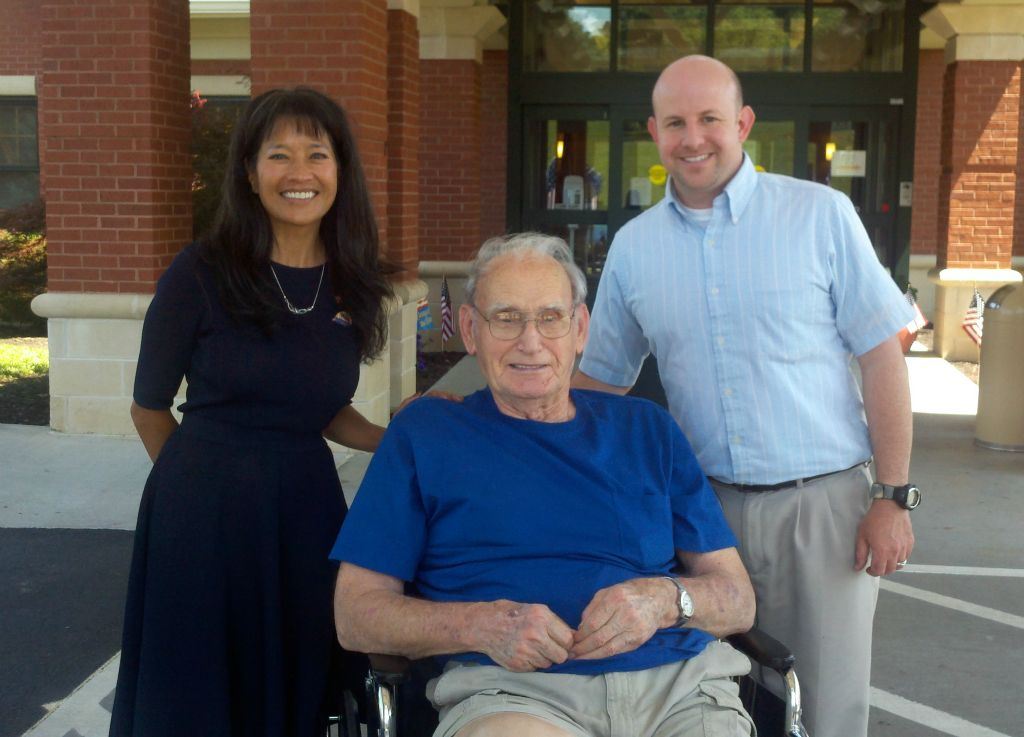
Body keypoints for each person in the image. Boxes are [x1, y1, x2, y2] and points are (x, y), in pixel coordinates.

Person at [573, 55, 918, 737]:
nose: (692, 137)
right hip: (703, 515)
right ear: (653, 130)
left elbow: (883, 354)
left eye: (709, 119)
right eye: (675, 122)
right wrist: (495, 422)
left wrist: (894, 495)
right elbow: (599, 382)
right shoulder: (636, 248)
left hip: (825, 509)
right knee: (716, 695)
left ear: (744, 123)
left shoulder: (819, 214)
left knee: (826, 708)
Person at [332, 233, 757, 737]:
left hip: (680, 690)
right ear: (471, 330)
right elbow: (356, 614)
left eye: (550, 318)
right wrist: (482, 626)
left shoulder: (647, 429)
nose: (530, 342)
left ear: (580, 328)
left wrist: (664, 600)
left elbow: (737, 600)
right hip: (514, 694)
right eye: (507, 318)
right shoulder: (426, 435)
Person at [109, 87, 395, 736]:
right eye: (279, 155)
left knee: (298, 677)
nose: (300, 173)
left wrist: (390, 436)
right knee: (199, 688)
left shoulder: (352, 280)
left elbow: (324, 410)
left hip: (304, 510)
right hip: (200, 517)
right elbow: (148, 406)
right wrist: (198, 486)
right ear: (249, 171)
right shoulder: (200, 272)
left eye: (316, 154)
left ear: (340, 170)